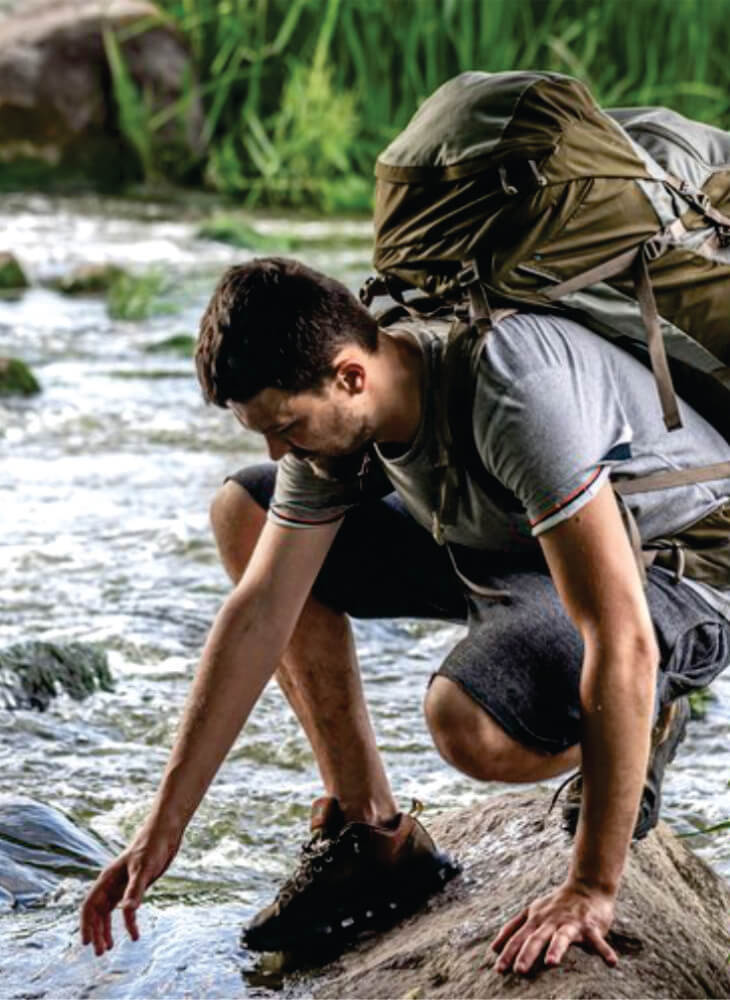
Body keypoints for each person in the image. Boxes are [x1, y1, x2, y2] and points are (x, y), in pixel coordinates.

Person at [80, 257, 730, 975]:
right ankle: (373, 837)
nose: (278, 450)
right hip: (508, 542)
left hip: (668, 570)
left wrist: (590, 888)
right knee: (246, 511)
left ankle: (649, 720)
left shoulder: (517, 393)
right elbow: (260, 612)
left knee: (468, 726)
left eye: (287, 426)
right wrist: (162, 829)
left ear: (350, 375)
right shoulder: (341, 415)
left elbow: (621, 635)